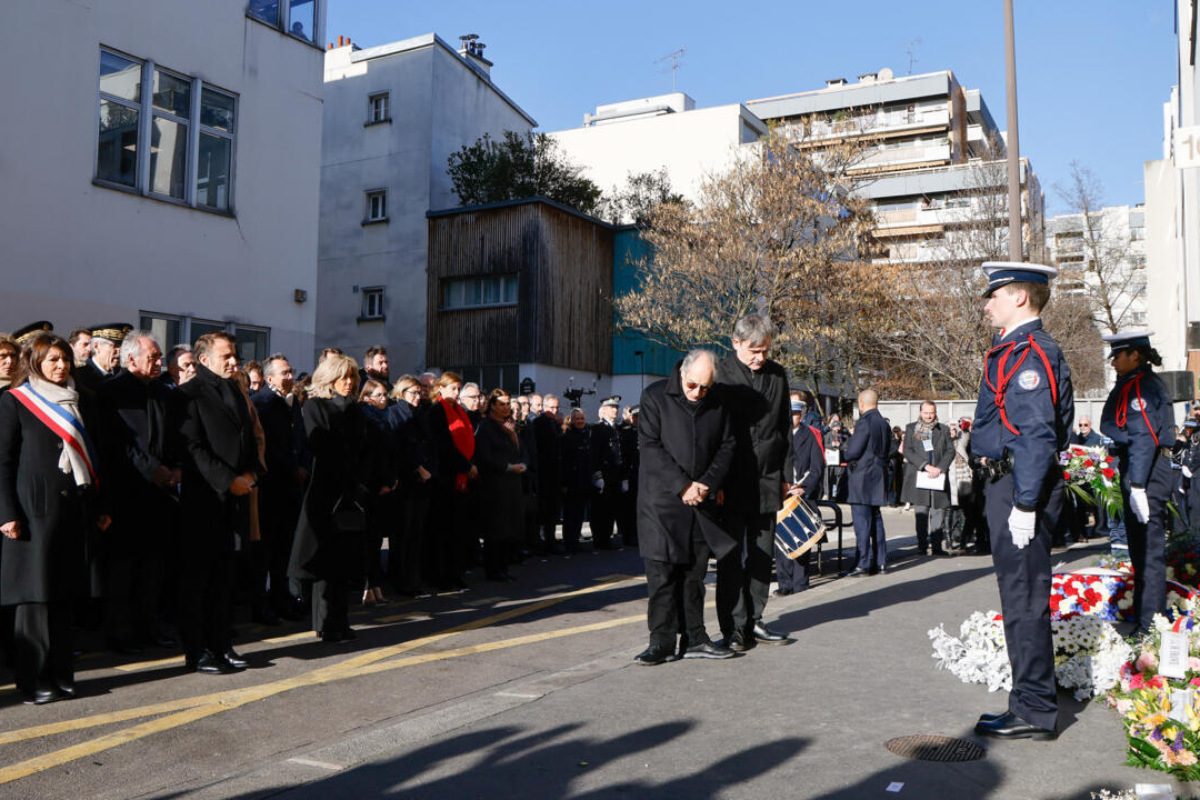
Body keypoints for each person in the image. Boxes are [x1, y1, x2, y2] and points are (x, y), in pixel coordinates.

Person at [971, 261, 1073, 742]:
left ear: (1018, 298)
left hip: (1019, 486)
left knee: (1025, 597)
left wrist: (1026, 504)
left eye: (994, 295)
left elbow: (1035, 435)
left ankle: (1035, 708)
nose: (987, 303)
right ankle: (1028, 700)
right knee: (1019, 597)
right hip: (1010, 484)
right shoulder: (1014, 348)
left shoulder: (1029, 354)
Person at [0, 333, 109, 703]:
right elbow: (3, 462)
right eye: (52, 360)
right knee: (35, 601)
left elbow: (94, 459)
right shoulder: (16, 402)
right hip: (32, 513)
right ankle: (33, 681)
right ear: (35, 364)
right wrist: (7, 513)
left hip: (71, 512)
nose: (61, 366)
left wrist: (98, 508)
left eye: (64, 359)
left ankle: (61, 673)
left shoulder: (80, 401)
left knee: (64, 598)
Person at [634, 349, 738, 665]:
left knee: (694, 574)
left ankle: (695, 637)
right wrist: (683, 486)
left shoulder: (718, 400)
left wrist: (707, 483)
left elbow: (727, 445)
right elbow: (651, 448)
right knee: (662, 574)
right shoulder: (654, 396)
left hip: (700, 501)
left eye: (705, 388)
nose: (698, 393)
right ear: (683, 374)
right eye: (693, 386)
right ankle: (661, 641)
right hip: (661, 502)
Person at [177, 332, 264, 674]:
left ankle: (221, 643)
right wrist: (229, 480)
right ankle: (197, 650)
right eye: (226, 356)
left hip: (235, 498)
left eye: (235, 355)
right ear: (204, 359)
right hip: (204, 499)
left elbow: (249, 438)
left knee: (224, 578)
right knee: (198, 579)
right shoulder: (188, 394)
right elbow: (191, 446)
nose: (233, 361)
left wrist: (252, 474)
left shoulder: (234, 390)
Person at [94, 330, 181, 653]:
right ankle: (120, 630)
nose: (159, 362)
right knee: (123, 567)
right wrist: (151, 470)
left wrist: (174, 467)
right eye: (153, 356)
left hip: (161, 492)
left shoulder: (162, 391)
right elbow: (116, 443)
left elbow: (172, 435)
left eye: (159, 356)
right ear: (131, 358)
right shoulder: (112, 392)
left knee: (153, 565)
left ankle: (149, 625)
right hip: (126, 492)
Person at [714, 313, 792, 651]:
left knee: (762, 554)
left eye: (765, 351)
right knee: (731, 557)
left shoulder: (778, 376)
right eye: (753, 351)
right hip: (730, 482)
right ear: (735, 343)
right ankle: (732, 626)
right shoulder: (721, 375)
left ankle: (756, 620)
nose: (760, 358)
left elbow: (784, 428)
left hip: (768, 479)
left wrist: (787, 477)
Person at [289, 354, 370, 642]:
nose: (349, 383)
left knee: (345, 561)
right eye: (343, 377)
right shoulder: (314, 405)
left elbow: (361, 448)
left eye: (353, 378)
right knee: (325, 560)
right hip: (326, 492)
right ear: (329, 378)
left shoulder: (355, 409)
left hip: (349, 493)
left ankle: (341, 620)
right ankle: (325, 623)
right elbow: (322, 444)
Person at [1099, 331, 1174, 634]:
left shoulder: (1140, 387)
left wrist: (1139, 485)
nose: (1114, 361)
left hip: (1146, 471)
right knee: (1141, 553)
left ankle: (1150, 626)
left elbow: (1143, 436)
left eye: (1119, 355)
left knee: (1148, 554)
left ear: (1136, 355)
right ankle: (1147, 619)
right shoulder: (1136, 383)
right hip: (1142, 468)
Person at [251, 354, 308, 621]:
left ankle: (281, 597)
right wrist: (291, 467)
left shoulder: (293, 401)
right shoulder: (261, 402)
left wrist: (303, 464)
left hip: (291, 486)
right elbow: (266, 446)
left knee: (285, 547)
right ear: (269, 377)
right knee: (266, 550)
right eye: (283, 373)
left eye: (290, 371)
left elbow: (300, 438)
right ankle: (261, 604)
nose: (289, 376)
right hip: (271, 486)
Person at [425, 372, 475, 591]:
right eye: (452, 388)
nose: (456, 392)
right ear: (441, 389)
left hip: (460, 477)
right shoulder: (437, 411)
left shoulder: (459, 411)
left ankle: (456, 573)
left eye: (458, 388)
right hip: (445, 477)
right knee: (443, 530)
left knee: (458, 529)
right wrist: (466, 465)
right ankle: (441, 576)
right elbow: (444, 445)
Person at [386, 377, 435, 595]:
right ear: (401, 392)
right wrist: (417, 468)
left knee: (417, 533)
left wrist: (428, 469)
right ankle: (401, 580)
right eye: (412, 393)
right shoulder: (395, 412)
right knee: (402, 534)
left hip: (422, 481)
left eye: (419, 392)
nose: (418, 396)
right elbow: (398, 448)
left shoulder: (421, 413)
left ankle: (414, 580)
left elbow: (429, 444)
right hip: (406, 481)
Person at [473, 389, 526, 581]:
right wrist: (507, 466)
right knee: (496, 530)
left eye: (508, 403)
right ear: (493, 405)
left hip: (513, 485)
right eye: (502, 404)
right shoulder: (486, 427)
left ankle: (504, 567)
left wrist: (524, 464)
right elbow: (483, 456)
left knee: (509, 529)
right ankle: (494, 570)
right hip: (495, 485)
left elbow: (523, 450)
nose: (506, 407)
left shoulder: (511, 426)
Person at [777, 395, 825, 596]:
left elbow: (817, 467)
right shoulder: (777, 436)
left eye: (795, 415)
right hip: (781, 493)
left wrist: (803, 487)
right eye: (789, 414)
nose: (792, 418)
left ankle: (800, 582)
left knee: (801, 540)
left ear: (801, 415)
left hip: (801, 494)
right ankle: (784, 584)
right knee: (781, 542)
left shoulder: (810, 435)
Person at [844, 389, 891, 576]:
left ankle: (863, 563)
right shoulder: (883, 423)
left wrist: (843, 453)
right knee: (876, 522)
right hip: (878, 477)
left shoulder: (865, 422)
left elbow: (853, 451)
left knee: (862, 523)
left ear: (861, 404)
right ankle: (881, 562)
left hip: (862, 478)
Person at [357, 379, 395, 605]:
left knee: (376, 539)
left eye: (385, 395)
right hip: (367, 486)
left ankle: (376, 585)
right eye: (379, 395)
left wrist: (390, 480)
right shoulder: (364, 419)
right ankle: (366, 586)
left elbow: (391, 454)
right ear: (367, 397)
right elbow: (366, 455)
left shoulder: (386, 421)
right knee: (365, 539)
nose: (384, 399)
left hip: (383, 487)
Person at [901, 401, 955, 555]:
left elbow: (950, 451)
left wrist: (939, 468)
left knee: (938, 511)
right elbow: (908, 451)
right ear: (920, 412)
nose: (929, 416)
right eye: (926, 413)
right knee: (921, 513)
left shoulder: (943, 429)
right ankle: (922, 546)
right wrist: (925, 465)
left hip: (938, 475)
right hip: (920, 474)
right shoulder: (912, 428)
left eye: (931, 412)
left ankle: (937, 546)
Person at [588, 396, 627, 551]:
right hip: (604, 474)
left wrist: (623, 477)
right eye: (611, 407)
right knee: (600, 510)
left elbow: (620, 454)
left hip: (615, 475)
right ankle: (599, 540)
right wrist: (597, 476)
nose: (615, 410)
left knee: (611, 509)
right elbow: (594, 454)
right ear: (603, 410)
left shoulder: (616, 428)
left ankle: (607, 538)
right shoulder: (597, 428)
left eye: (616, 407)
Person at [532, 393, 563, 554]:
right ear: (544, 408)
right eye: (551, 407)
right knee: (541, 511)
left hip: (554, 474)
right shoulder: (538, 423)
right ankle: (540, 543)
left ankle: (550, 541)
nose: (554, 410)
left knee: (552, 512)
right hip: (543, 473)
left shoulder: (555, 423)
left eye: (557, 407)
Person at [559, 408, 593, 554]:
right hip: (571, 482)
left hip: (584, 481)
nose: (580, 421)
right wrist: (564, 483)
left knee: (579, 514)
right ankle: (569, 543)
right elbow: (564, 462)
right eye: (577, 419)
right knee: (570, 515)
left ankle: (576, 542)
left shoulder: (587, 435)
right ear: (571, 420)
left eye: (582, 419)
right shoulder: (567, 436)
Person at [75, 324, 131, 395]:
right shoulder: (80, 376)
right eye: (115, 346)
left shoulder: (124, 375)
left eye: (122, 346)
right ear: (96, 346)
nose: (120, 350)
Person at [617, 406, 640, 547]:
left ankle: (638, 535)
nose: (637, 419)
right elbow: (624, 457)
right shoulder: (627, 433)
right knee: (629, 509)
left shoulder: (648, 431)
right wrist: (624, 477)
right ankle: (629, 536)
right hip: (631, 475)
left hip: (643, 475)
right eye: (636, 417)